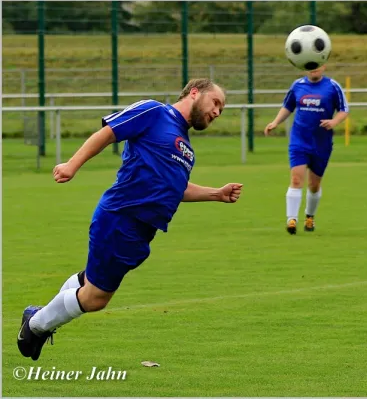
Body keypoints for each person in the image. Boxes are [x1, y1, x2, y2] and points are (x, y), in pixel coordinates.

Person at [18, 78, 244, 361]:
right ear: (195, 93)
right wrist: (72, 164)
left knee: (92, 280)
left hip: (141, 232)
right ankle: (35, 325)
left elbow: (175, 188)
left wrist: (216, 194)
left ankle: (39, 318)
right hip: (121, 217)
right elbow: (109, 132)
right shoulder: (154, 112)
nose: (218, 112)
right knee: (95, 298)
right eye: (216, 103)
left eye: (222, 109)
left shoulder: (186, 148)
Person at [264, 65, 349, 234]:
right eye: (310, 66)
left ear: (323, 65)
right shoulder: (297, 85)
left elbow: (344, 110)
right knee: (296, 180)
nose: (313, 69)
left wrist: (333, 122)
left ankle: (309, 216)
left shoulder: (332, 86)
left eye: (317, 65)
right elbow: (288, 106)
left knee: (314, 185)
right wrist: (275, 122)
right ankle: (291, 220)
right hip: (299, 141)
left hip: (321, 143)